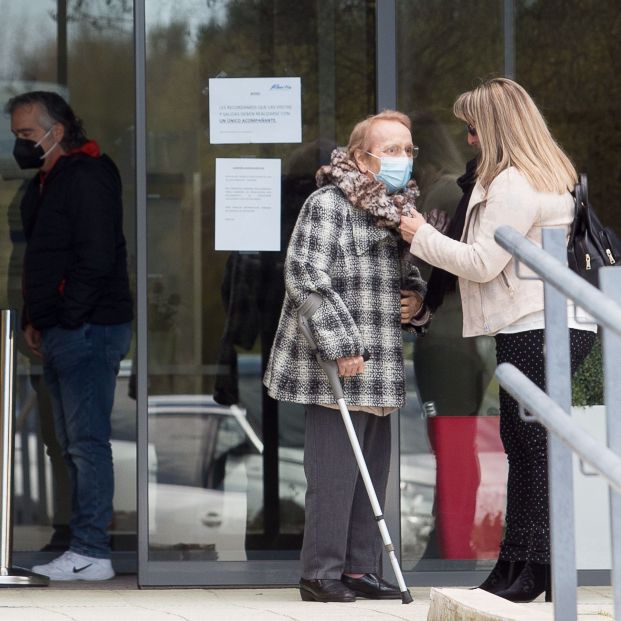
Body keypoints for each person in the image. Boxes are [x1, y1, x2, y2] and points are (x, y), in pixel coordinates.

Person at [400, 78, 596, 603]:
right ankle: (522, 565)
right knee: (530, 447)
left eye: (473, 128)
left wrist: (418, 232)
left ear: (494, 128)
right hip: (551, 323)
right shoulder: (547, 174)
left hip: (537, 324)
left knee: (529, 448)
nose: (468, 140)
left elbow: (483, 264)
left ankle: (528, 570)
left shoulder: (514, 183)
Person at [264, 110, 430, 603]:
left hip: (381, 361)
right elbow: (305, 278)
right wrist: (340, 345)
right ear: (361, 157)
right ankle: (320, 573)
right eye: (391, 149)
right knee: (334, 475)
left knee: (371, 474)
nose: (402, 159)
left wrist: (415, 300)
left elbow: (408, 276)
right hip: (338, 362)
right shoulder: (328, 205)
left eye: (408, 149)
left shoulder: (395, 210)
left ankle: (360, 569)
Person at [6, 91, 133, 580]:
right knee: (69, 442)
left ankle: (91, 551)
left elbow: (95, 256)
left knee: (85, 442)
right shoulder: (49, 179)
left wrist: (67, 316)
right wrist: (41, 319)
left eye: (25, 135)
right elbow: (45, 254)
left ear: (55, 131)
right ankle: (78, 542)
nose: (19, 144)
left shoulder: (87, 175)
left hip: (87, 329)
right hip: (64, 328)